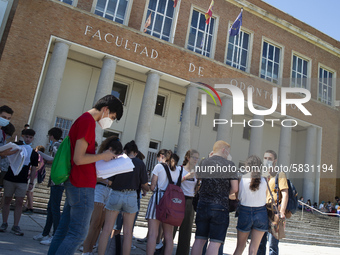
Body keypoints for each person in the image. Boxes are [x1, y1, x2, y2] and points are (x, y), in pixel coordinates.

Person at [48, 95, 123, 255]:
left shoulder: (84, 120)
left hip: (77, 183)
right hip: (81, 185)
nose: (110, 120)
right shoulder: (87, 122)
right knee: (78, 234)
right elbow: (79, 158)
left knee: (63, 231)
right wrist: (103, 156)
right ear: (105, 109)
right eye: (112, 117)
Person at [98, 140, 149, 255]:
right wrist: (145, 189)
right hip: (131, 196)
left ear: (124, 151)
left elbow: (110, 182)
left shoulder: (119, 161)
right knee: (127, 232)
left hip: (116, 194)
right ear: (135, 153)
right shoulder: (140, 164)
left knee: (107, 229)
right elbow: (145, 185)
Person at [191, 141, 238, 255]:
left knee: (199, 240)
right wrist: (224, 194)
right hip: (220, 206)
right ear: (223, 150)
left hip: (203, 204)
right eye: (228, 152)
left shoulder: (204, 162)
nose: (228, 154)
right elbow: (235, 188)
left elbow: (198, 180)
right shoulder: (230, 165)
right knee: (215, 243)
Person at [82, 136, 123, 255]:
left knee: (100, 224)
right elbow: (92, 177)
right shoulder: (98, 158)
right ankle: (86, 249)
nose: (114, 157)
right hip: (99, 190)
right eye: (114, 154)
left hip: (108, 191)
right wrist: (105, 180)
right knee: (94, 222)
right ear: (109, 149)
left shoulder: (112, 162)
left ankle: (92, 247)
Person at [0, 128, 39, 235]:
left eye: (30, 137)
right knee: (7, 200)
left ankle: (16, 225)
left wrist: (31, 182)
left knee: (19, 202)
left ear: (32, 139)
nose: (28, 139)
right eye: (26, 137)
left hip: (22, 180)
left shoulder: (33, 153)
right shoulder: (16, 146)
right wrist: (14, 150)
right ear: (23, 136)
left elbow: (34, 168)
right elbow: (3, 154)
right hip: (10, 177)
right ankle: (4, 222)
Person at [33, 127, 64, 245]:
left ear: (51, 135)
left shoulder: (56, 145)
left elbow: (54, 159)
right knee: (50, 208)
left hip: (57, 180)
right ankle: (45, 233)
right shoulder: (59, 145)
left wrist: (40, 153)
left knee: (54, 208)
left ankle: (55, 235)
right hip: (56, 180)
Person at [145, 150, 180, 255]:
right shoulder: (177, 170)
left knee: (152, 234)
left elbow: (152, 187)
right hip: (171, 201)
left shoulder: (159, 167)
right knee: (169, 237)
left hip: (158, 199)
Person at [233, 155, 268, 255]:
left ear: (247, 166)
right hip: (261, 212)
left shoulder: (242, 179)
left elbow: (238, 197)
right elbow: (265, 197)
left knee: (240, 247)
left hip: (245, 211)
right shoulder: (264, 180)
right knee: (253, 250)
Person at [257, 150, 288, 255]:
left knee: (272, 245)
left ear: (275, 160)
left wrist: (282, 212)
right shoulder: (262, 175)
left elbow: (285, 194)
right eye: (265, 158)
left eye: (269, 158)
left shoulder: (280, 174)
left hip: (275, 212)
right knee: (260, 242)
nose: (267, 161)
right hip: (261, 211)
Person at [173, 149, 199, 255]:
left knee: (187, 231)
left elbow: (195, 190)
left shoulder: (196, 172)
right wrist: (185, 178)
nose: (196, 160)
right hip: (178, 199)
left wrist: (199, 184)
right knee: (172, 228)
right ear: (188, 158)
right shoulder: (180, 169)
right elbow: (173, 184)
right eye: (194, 157)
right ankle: (165, 249)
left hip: (190, 201)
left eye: (197, 158)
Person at [23, 145, 45, 215]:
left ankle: (30, 207)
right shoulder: (41, 157)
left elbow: (38, 166)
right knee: (30, 192)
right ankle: (27, 205)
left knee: (28, 191)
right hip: (34, 176)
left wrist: (31, 169)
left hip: (34, 176)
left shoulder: (39, 156)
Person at [0, 122, 16, 210]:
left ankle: (1, 207)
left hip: (4, 168)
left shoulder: (4, 141)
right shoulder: (2, 140)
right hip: (3, 167)